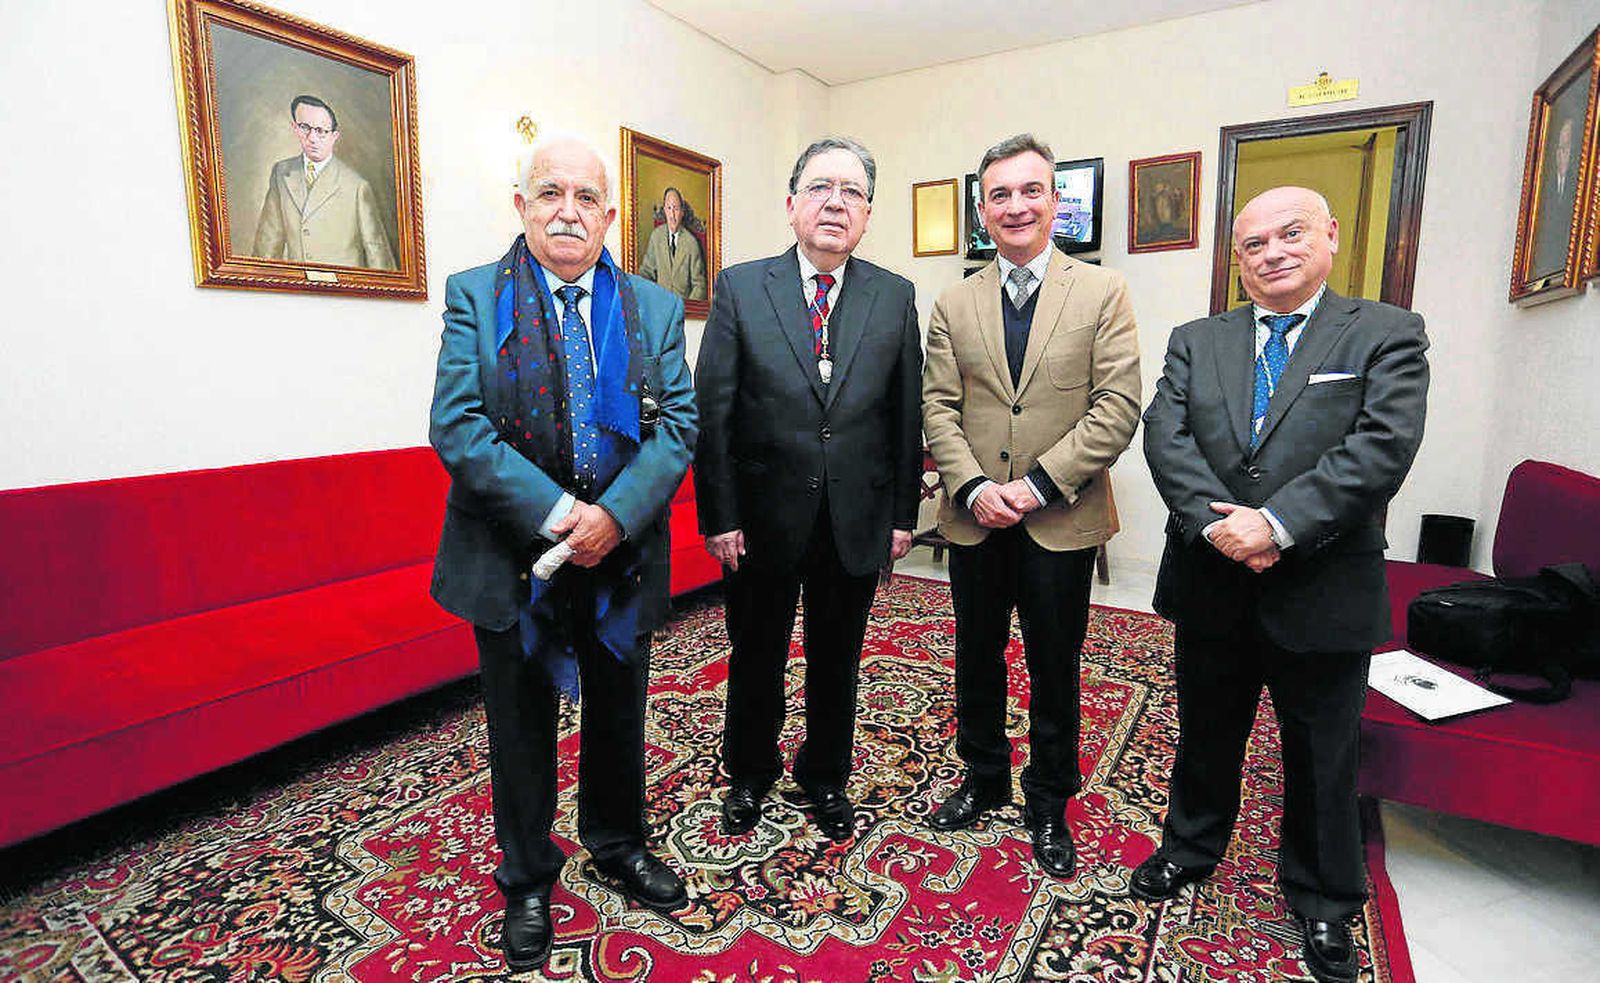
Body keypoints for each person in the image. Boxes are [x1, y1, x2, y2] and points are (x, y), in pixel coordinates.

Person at [1137, 186, 1429, 983]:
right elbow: (1165, 434)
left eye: (1290, 234)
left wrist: (1276, 525)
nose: (1272, 253)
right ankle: (1191, 847)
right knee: (1205, 732)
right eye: (1254, 243)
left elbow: (1382, 447)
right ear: (1237, 260)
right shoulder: (1196, 339)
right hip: (1211, 580)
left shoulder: (1385, 333)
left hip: (1323, 582)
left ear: (1330, 236)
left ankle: (1326, 894)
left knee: (1321, 748)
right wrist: (1221, 527)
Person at [429, 133, 697, 973]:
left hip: (621, 554)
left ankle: (617, 841)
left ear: (611, 214)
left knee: (621, 709)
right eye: (551, 193)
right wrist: (557, 513)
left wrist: (612, 516)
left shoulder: (652, 307)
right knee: (520, 726)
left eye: (586, 196)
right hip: (513, 557)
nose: (569, 210)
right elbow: (458, 426)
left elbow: (677, 424)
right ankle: (530, 875)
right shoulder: (476, 295)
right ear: (521, 205)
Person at [921, 134, 1141, 878]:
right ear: (983, 211)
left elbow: (1117, 406)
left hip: (1060, 519)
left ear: (1056, 202)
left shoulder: (1102, 291)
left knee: (1055, 664)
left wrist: (1038, 485)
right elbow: (938, 407)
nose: (1016, 205)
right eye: (1000, 195)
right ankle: (982, 777)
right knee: (975, 657)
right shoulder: (954, 302)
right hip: (975, 519)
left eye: (1031, 191)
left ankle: (1049, 797)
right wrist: (975, 487)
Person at [694, 136, 923, 844]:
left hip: (854, 516)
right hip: (761, 519)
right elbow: (715, 412)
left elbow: (905, 411)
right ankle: (750, 771)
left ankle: (824, 773)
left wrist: (902, 515)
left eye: (852, 192)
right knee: (755, 654)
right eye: (821, 187)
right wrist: (720, 515)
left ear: (867, 213)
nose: (836, 202)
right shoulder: (740, 286)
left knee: (837, 659)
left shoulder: (894, 295)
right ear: (792, 204)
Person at [251, 94, 397, 270]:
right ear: (295, 128)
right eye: (305, 127)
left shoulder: (357, 186)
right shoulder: (282, 173)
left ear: (334, 136)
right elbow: (268, 243)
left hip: (344, 292)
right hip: (294, 290)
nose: (312, 138)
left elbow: (377, 254)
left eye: (321, 131)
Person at [637, 187, 707, 300]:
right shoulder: (656, 236)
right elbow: (646, 272)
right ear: (664, 210)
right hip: (659, 305)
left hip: (684, 309)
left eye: (676, 209)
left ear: (682, 212)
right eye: (669, 208)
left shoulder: (691, 243)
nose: (672, 215)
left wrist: (688, 307)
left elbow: (700, 285)